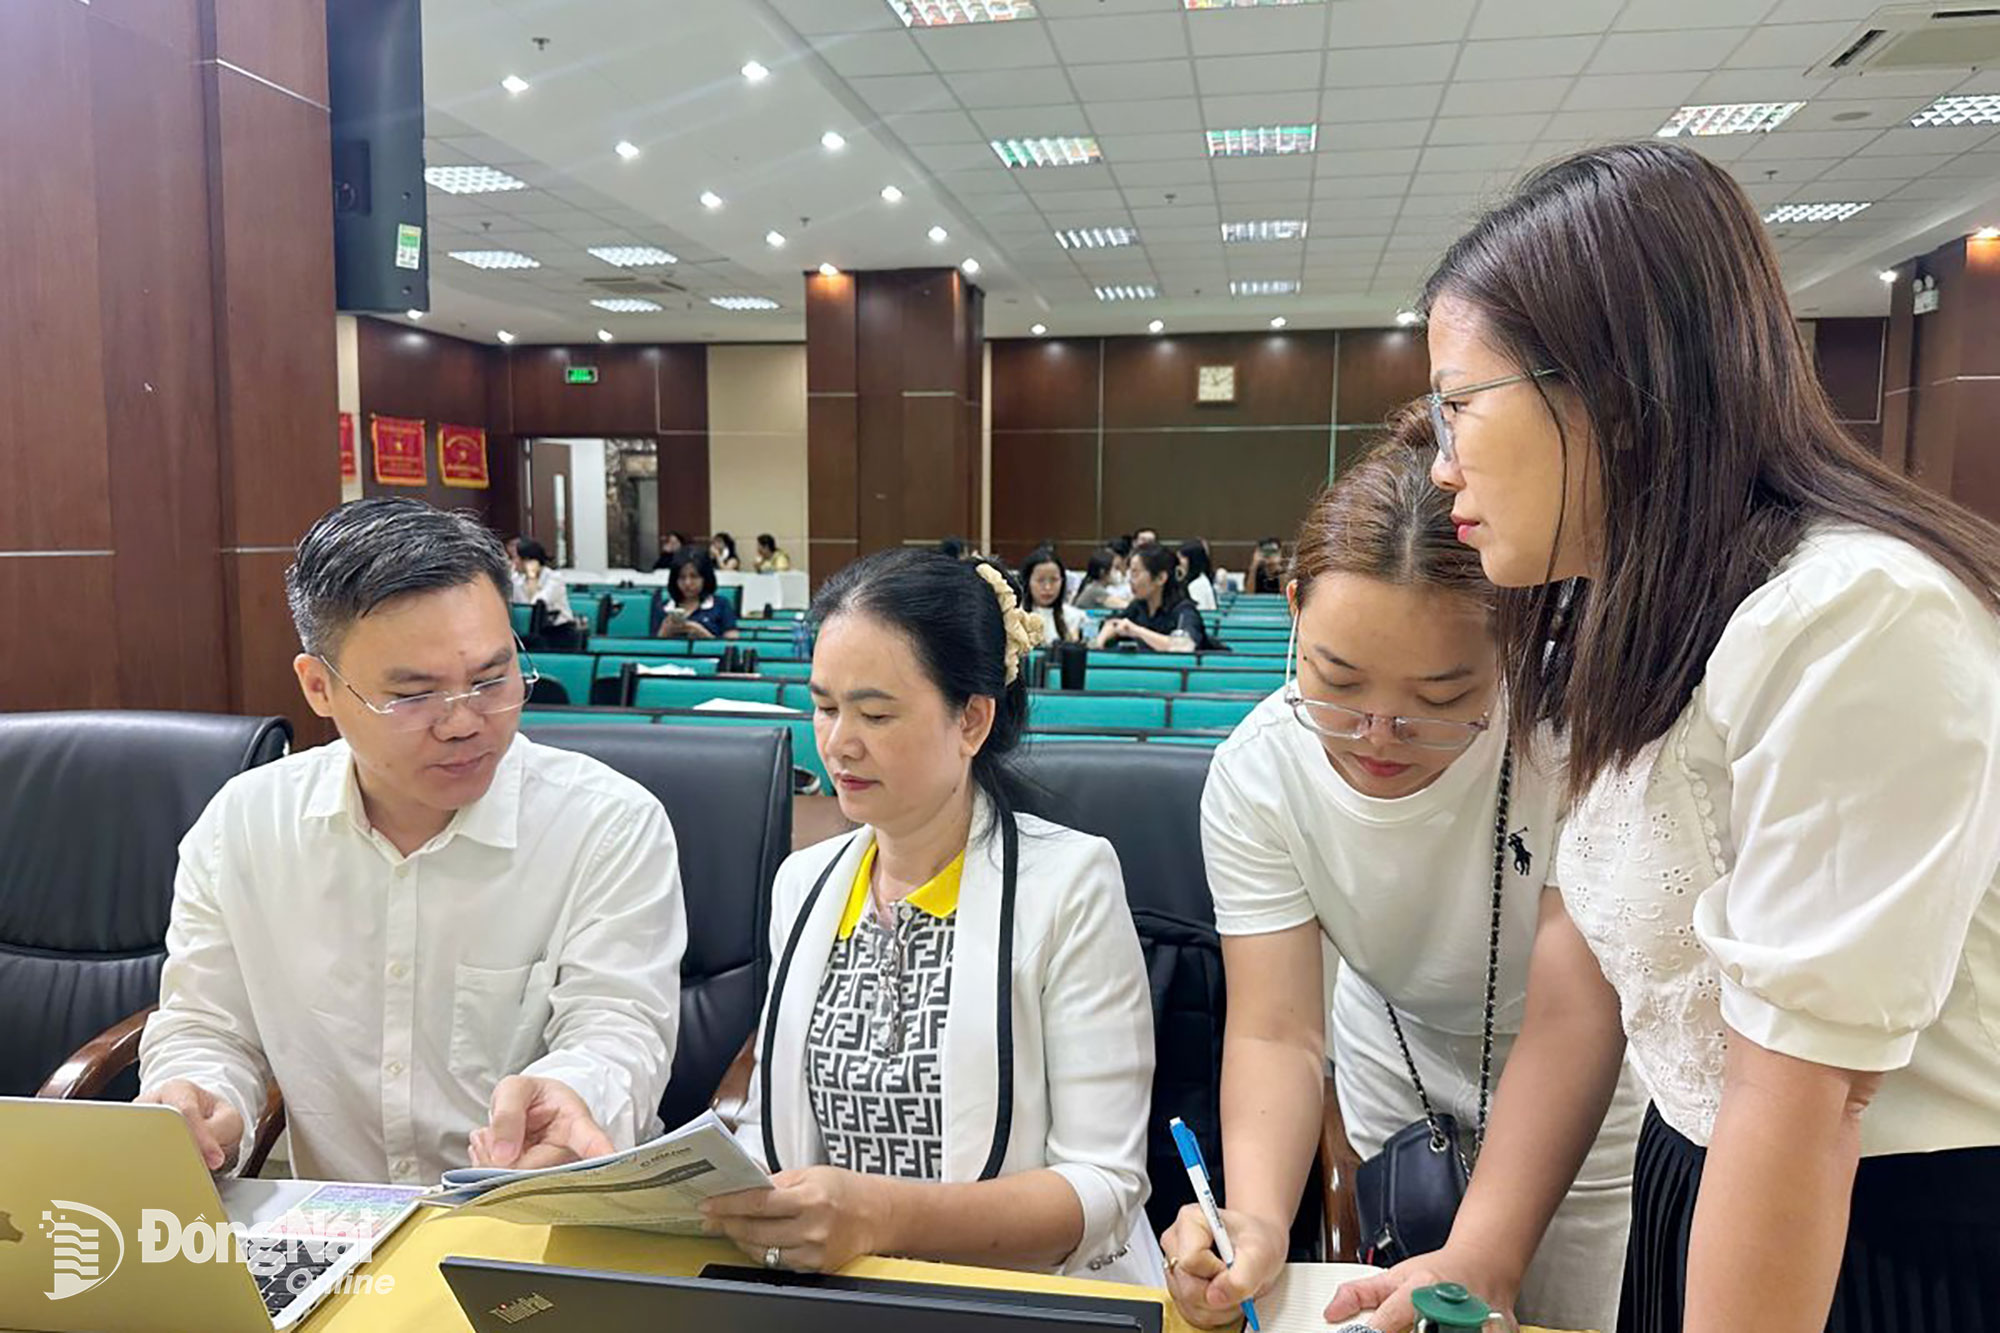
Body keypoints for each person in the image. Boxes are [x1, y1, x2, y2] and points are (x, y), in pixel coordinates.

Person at [1332, 141, 2000, 1333]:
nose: (1438, 469)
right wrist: (1477, 1255)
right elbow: (1588, 971)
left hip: (1872, 1230)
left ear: (1609, 387)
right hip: (1703, 1180)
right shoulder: (1631, 600)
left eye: (1455, 406)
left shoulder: (1851, 616)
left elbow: (1807, 1098)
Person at [1161, 423, 1639, 1333]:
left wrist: (1485, 1255)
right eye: (1338, 683)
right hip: (1400, 1070)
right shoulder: (1259, 772)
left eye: (1443, 699)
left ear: (1517, 642)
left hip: (1584, 1089)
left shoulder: (1575, 741)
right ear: (1293, 608)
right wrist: (1257, 1216)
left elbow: (1575, 1011)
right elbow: (1276, 1028)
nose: (1379, 737)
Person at [137, 498, 688, 1184]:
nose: (464, 722)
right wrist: (201, 1097)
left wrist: (573, 1095)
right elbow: (207, 1026)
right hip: (342, 1234)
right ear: (320, 687)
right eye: (415, 695)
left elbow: (618, 1027)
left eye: (492, 679)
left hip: (545, 1218)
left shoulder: (607, 824)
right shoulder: (243, 829)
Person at [704, 549, 1159, 1285]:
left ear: (972, 719)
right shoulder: (805, 883)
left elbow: (1102, 1186)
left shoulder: (1069, 883)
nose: (838, 742)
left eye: (876, 712)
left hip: (1018, 1295)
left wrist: (886, 1216)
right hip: (833, 1293)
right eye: (825, 705)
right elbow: (771, 1130)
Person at [1094, 543, 1205, 653]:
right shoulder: (1138, 606)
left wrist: (1136, 631)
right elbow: (1113, 623)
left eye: (1135, 573)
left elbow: (1184, 646)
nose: (1130, 581)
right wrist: (1099, 643)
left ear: (1160, 578)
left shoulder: (1184, 611)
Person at [656, 550, 739, 641]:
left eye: (694, 577)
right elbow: (651, 647)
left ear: (705, 578)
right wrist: (664, 632)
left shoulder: (721, 605)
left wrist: (704, 635)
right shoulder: (663, 607)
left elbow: (732, 645)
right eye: (682, 577)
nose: (688, 583)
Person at [1020, 547, 1089, 645]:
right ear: (1027, 582)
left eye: (1054, 580)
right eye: (1040, 580)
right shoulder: (1014, 617)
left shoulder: (1076, 617)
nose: (1047, 587)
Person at [511, 539, 577, 627]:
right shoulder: (516, 579)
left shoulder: (554, 578)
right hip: (530, 628)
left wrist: (532, 578)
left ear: (528, 561)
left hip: (558, 628)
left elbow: (538, 603)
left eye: (515, 558)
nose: (513, 562)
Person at [1074, 548, 1130, 612]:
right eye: (1116, 568)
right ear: (1102, 572)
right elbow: (1125, 606)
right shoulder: (1096, 591)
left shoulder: (1093, 586)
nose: (1119, 572)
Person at [1178, 540, 1219, 612]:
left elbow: (1197, 615)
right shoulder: (1194, 581)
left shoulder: (1198, 585)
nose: (1178, 562)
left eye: (1182, 558)